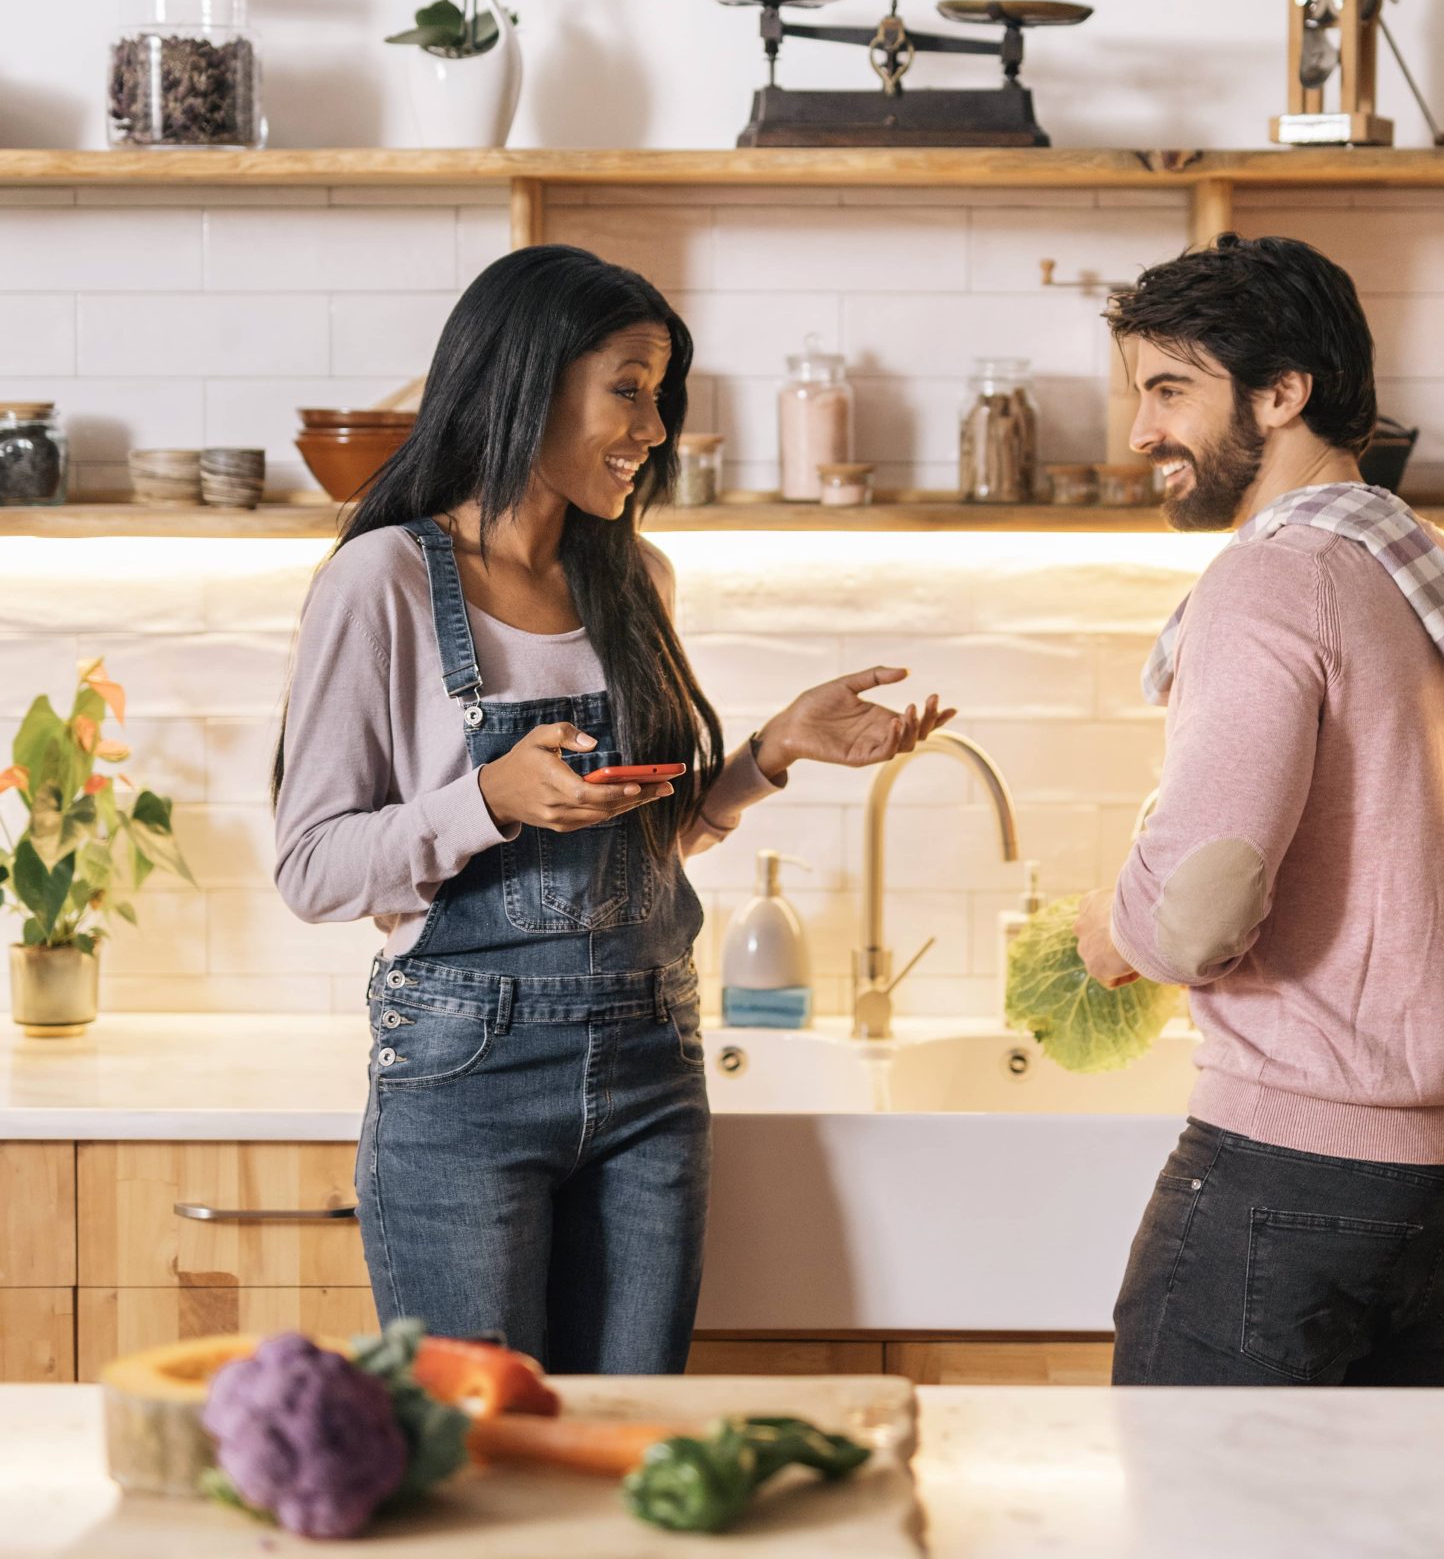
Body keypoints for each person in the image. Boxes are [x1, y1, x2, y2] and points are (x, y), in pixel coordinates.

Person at [275, 244, 952, 1373]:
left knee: (632, 1441)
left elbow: (650, 837)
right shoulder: (384, 581)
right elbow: (312, 869)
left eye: (661, 392)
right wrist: (489, 797)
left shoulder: (635, 579)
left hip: (650, 1061)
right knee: (487, 1453)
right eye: (627, 387)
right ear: (527, 382)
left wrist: (770, 753)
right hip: (464, 1073)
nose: (653, 426)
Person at [1076, 233, 1444, 1386]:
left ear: (1283, 391)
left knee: (1204, 1539)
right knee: (1383, 1552)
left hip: (1295, 1167)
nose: (1142, 432)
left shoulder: (1274, 577)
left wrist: (1108, 934)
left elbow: (1199, 906)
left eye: (1170, 389)